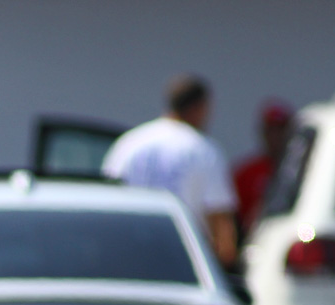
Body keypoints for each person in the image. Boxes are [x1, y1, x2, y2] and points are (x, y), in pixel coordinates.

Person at [102, 75, 238, 267]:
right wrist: (226, 265)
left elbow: (106, 200)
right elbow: (219, 218)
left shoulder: (128, 143)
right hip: (183, 261)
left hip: (128, 256)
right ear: (198, 108)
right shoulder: (203, 149)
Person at [233, 100, 295, 236]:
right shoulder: (246, 173)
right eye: (271, 130)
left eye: (281, 129)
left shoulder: (303, 171)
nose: (276, 136)